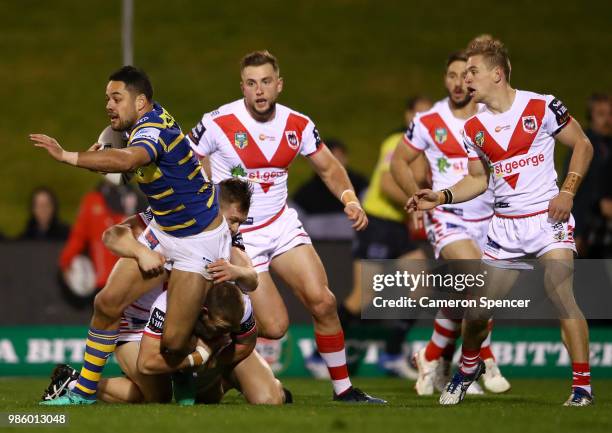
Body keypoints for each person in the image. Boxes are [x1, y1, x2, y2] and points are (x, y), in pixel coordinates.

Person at [188, 50, 385, 403]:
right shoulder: (218, 121)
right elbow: (186, 159)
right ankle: (213, 349)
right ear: (242, 88)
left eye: (266, 82)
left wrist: (349, 199)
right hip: (240, 235)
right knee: (276, 327)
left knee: (324, 302)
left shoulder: (299, 124)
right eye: (251, 83)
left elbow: (328, 167)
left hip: (281, 224)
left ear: (279, 85)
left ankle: (344, 390)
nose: (259, 90)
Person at [408, 37, 594, 406]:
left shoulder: (541, 106)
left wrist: (568, 192)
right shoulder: (473, 128)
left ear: (497, 74)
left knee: (562, 294)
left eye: (472, 72)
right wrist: (440, 196)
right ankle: (467, 367)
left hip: (547, 219)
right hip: (505, 228)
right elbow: (477, 180)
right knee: (477, 312)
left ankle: (581, 388)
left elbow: (583, 145)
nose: (465, 81)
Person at [32, 65, 227, 405]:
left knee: (174, 343)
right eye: (107, 98)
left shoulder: (152, 130)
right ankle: (83, 391)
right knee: (106, 303)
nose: (109, 105)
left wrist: (68, 156)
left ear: (140, 102)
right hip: (165, 227)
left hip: (199, 241)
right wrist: (101, 160)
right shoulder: (138, 124)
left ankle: (187, 369)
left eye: (116, 98)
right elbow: (127, 163)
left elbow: (130, 159)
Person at [391, 51, 510, 395]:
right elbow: (399, 161)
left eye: (466, 75)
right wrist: (417, 197)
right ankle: (483, 361)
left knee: (464, 297)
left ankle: (430, 357)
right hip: (448, 216)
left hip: (489, 218)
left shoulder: (493, 115)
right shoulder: (429, 120)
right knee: (479, 280)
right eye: (452, 76)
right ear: (445, 80)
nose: (459, 83)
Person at [59, 180, 144, 293]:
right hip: (102, 282)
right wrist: (66, 262)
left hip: (132, 282)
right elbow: (78, 236)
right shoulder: (92, 200)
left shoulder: (137, 200)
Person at [564, 93, 612, 256]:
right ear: (590, 116)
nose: (606, 120)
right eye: (600, 114)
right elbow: (573, 186)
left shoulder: (608, 145)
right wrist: (577, 231)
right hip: (585, 224)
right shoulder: (583, 145)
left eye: (609, 114)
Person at [293, 138, 368, 240]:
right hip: (318, 244)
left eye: (340, 157)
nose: (336, 163)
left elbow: (370, 212)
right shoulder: (306, 191)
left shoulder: (360, 183)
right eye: (333, 159)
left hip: (353, 241)